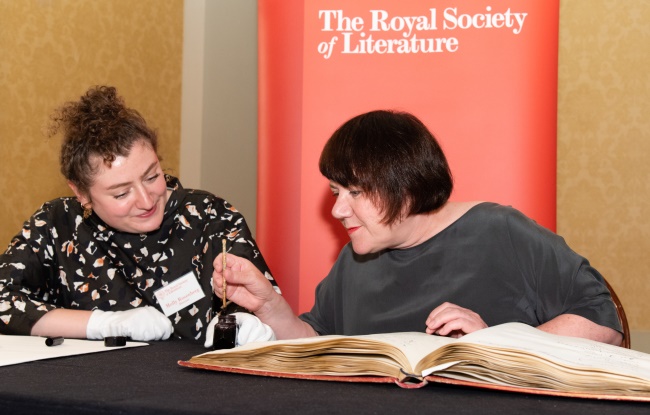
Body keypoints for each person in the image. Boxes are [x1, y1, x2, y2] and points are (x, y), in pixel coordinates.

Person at [212, 110, 623, 345]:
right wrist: (269, 306)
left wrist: (498, 343)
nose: (338, 210)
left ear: (406, 189)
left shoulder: (500, 231)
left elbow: (602, 321)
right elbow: (316, 342)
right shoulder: (357, 257)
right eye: (336, 191)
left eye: (354, 192)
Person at [0, 85, 276, 346]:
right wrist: (101, 324)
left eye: (152, 176)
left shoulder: (210, 217)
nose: (145, 201)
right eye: (121, 194)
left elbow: (267, 307)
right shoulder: (57, 225)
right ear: (81, 193)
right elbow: (4, 300)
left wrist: (247, 323)